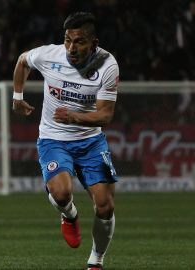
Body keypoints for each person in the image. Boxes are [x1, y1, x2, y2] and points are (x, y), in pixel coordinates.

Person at [12, 12, 119, 270]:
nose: (72, 47)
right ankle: (69, 215)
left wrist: (73, 116)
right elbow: (23, 61)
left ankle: (96, 261)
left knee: (105, 206)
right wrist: (17, 95)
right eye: (68, 40)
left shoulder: (107, 65)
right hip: (53, 138)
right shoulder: (50, 55)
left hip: (91, 141)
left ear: (94, 43)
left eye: (80, 41)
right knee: (61, 192)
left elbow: (105, 115)